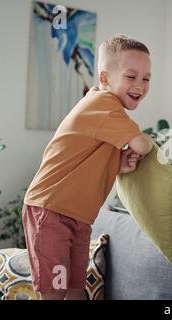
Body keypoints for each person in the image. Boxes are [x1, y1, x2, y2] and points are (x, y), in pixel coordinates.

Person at [22, 35, 153, 300]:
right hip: (52, 210)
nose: (140, 85)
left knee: (75, 290)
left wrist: (117, 164)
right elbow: (143, 145)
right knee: (54, 292)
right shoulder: (103, 105)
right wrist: (143, 146)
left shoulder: (107, 110)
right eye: (131, 76)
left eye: (146, 78)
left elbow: (88, 157)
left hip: (79, 218)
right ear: (104, 79)